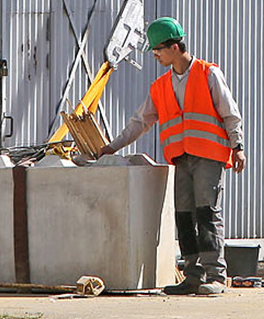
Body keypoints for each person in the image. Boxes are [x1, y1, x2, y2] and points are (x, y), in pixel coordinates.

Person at [98, 16, 246, 296]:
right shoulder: (161, 86)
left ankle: (215, 276)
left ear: (175, 47)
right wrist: (112, 147)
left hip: (208, 156)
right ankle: (192, 275)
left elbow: (230, 113)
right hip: (181, 158)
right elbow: (139, 122)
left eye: (158, 50)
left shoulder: (208, 74)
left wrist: (238, 147)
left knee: (207, 213)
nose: (155, 55)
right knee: (184, 216)